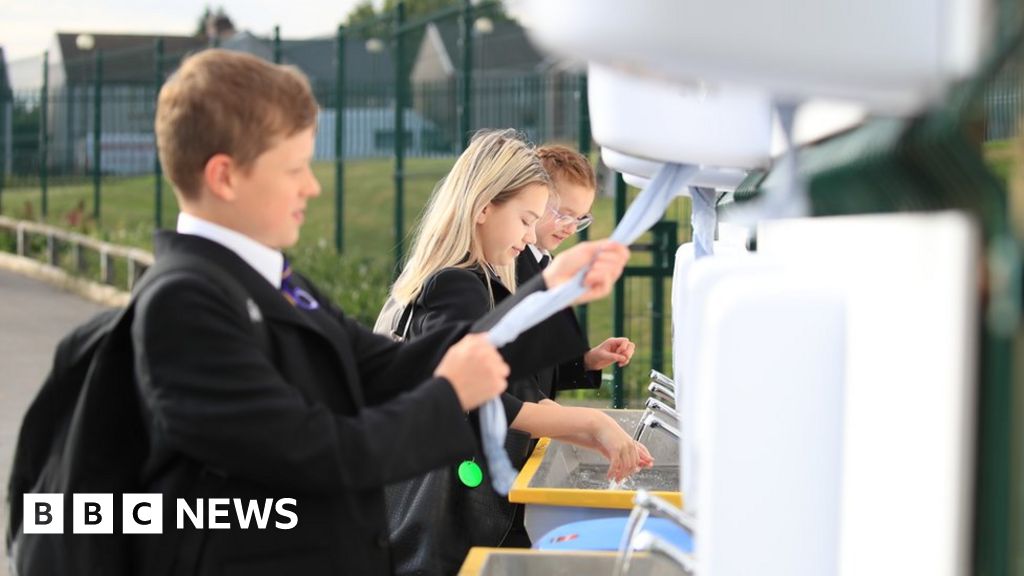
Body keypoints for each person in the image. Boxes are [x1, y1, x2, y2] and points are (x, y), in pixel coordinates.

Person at [134, 50, 628, 576]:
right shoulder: (183, 302)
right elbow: (317, 451)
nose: (313, 185)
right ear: (225, 177)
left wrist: (548, 289)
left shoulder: (276, 282)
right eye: (295, 168)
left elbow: (384, 364)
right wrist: (454, 392)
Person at [375, 129, 652, 574]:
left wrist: (588, 430)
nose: (529, 237)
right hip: (445, 528)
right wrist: (590, 422)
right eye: (526, 220)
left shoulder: (457, 279)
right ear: (484, 207)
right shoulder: (459, 286)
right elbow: (474, 396)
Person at [516, 144, 637, 399]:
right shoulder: (510, 265)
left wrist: (587, 361)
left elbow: (537, 362)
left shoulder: (547, 264)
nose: (570, 228)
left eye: (580, 219)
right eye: (564, 215)